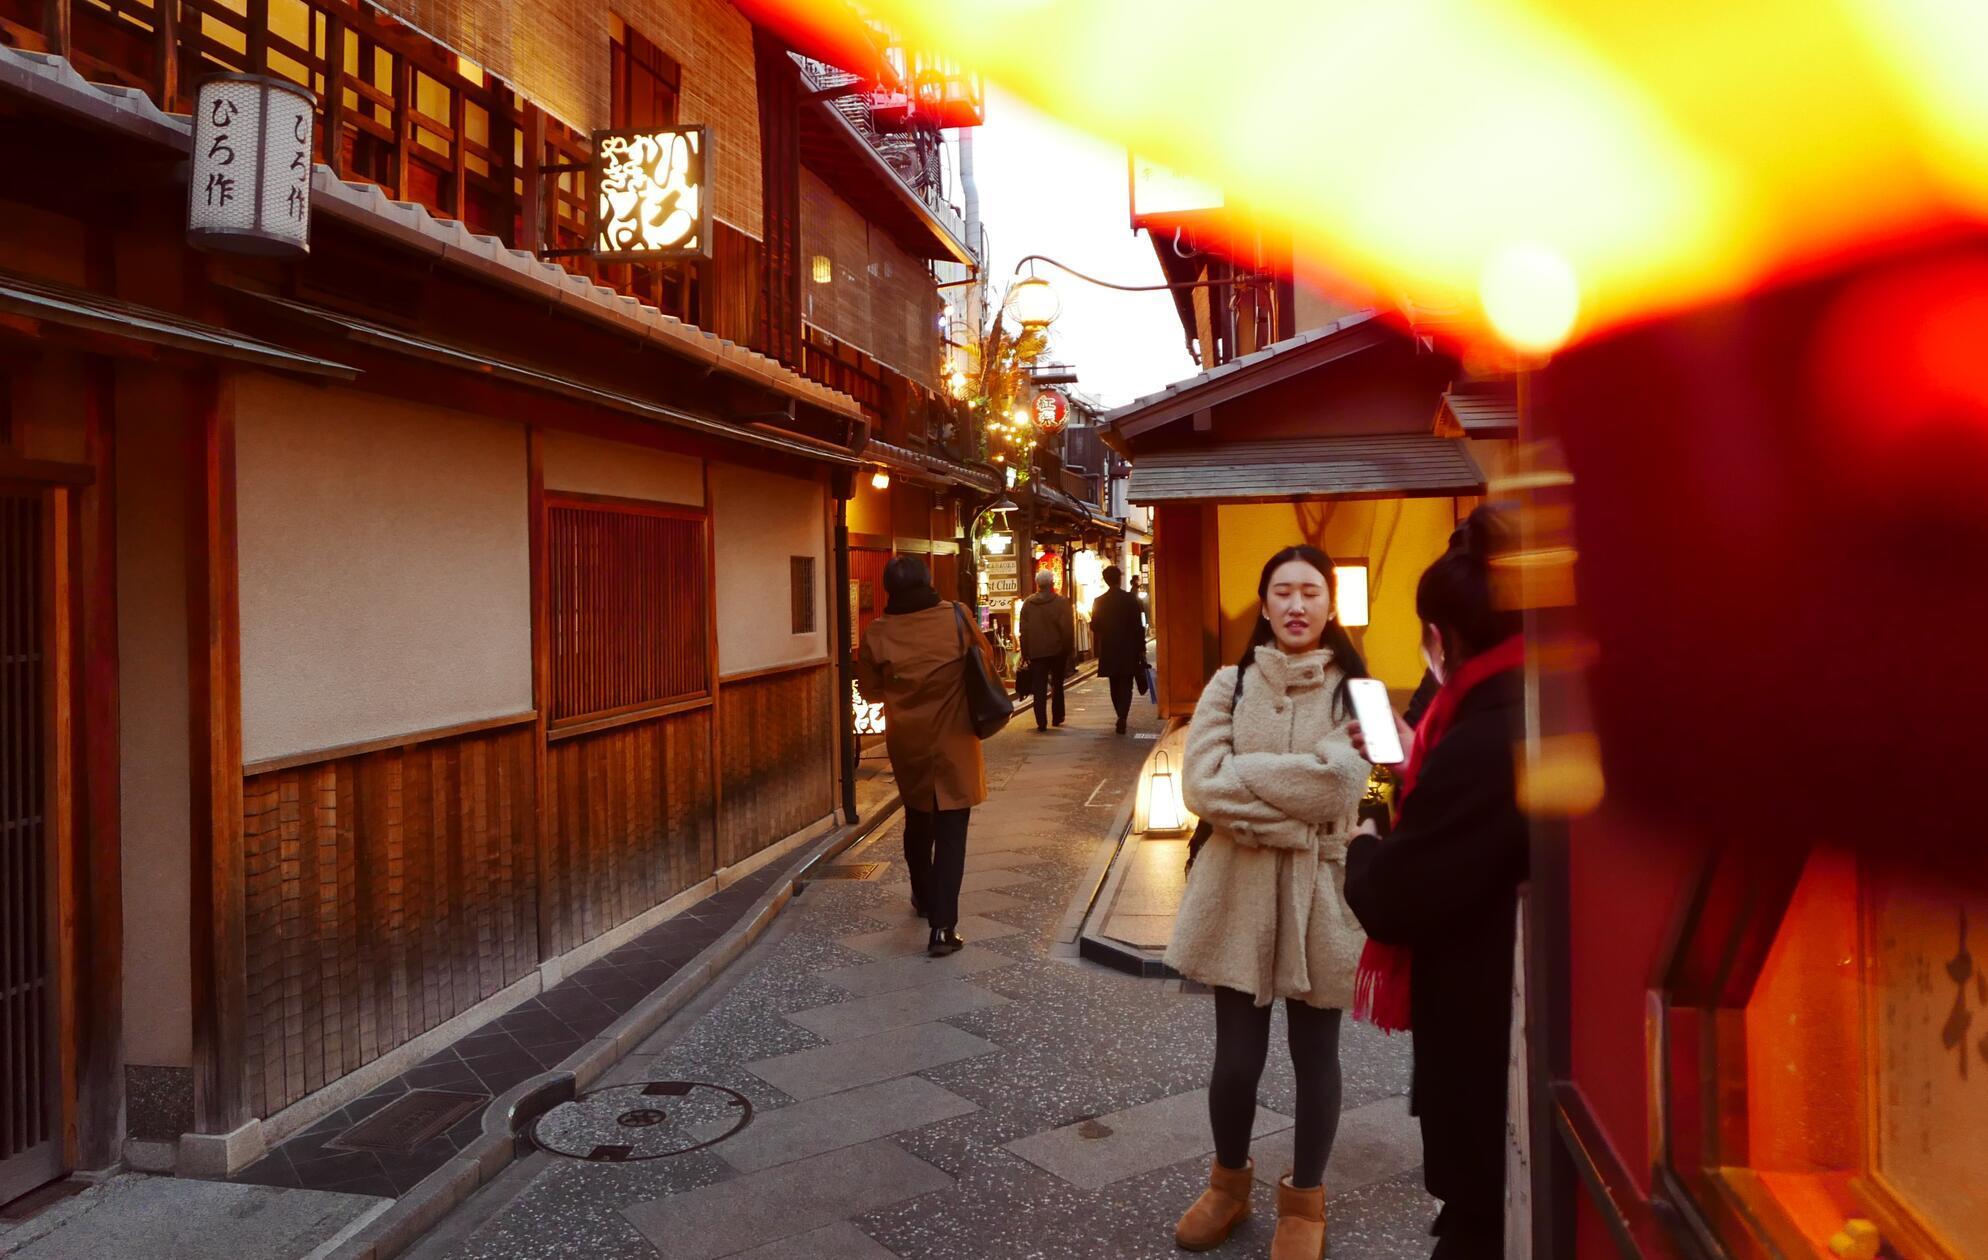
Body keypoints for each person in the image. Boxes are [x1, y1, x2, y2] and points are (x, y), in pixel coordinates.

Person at [1165, 545, 1374, 1260]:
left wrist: (1247, 776)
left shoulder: (1360, 693)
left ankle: (1305, 1201)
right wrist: (1296, 810)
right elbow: (1201, 785)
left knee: (1317, 1058)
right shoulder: (1228, 685)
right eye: (1282, 591)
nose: (1296, 604)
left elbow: (1346, 786)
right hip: (1236, 892)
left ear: (1330, 604)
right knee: (1236, 1059)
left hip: (1323, 892)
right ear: (1263, 604)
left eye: (1310, 591)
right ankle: (1227, 1185)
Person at [1343, 506, 1529, 1260]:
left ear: (1444, 636)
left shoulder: (1482, 737)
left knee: (1478, 1223)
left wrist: (1364, 839)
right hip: (1505, 1020)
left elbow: (1395, 897)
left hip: (1488, 1037)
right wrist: (1410, 752)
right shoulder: (1509, 708)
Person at [856, 555, 998, 957]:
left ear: (889, 589)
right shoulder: (956, 616)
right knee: (952, 831)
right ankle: (943, 928)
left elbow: (870, 690)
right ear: (928, 580)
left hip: (909, 740)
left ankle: (923, 895)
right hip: (954, 738)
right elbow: (985, 657)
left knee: (917, 819)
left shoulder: (878, 631)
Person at [1089, 564, 1148, 734]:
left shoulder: (1099, 601)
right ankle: (1123, 715)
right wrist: (1141, 647)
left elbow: (1094, 626)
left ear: (1106, 580)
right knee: (1127, 683)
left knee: (1114, 683)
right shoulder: (1130, 599)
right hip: (1129, 647)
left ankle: (1120, 713)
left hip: (1109, 647)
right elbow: (1138, 626)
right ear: (1119, 579)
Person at [1018, 569, 1074, 731]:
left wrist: (1025, 652)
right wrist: (1068, 649)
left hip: (1036, 651)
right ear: (1052, 583)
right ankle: (1057, 717)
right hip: (1057, 650)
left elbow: (1024, 630)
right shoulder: (1061, 602)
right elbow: (1067, 629)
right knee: (1058, 684)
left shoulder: (1028, 604)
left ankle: (1041, 722)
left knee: (1039, 687)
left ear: (1038, 584)